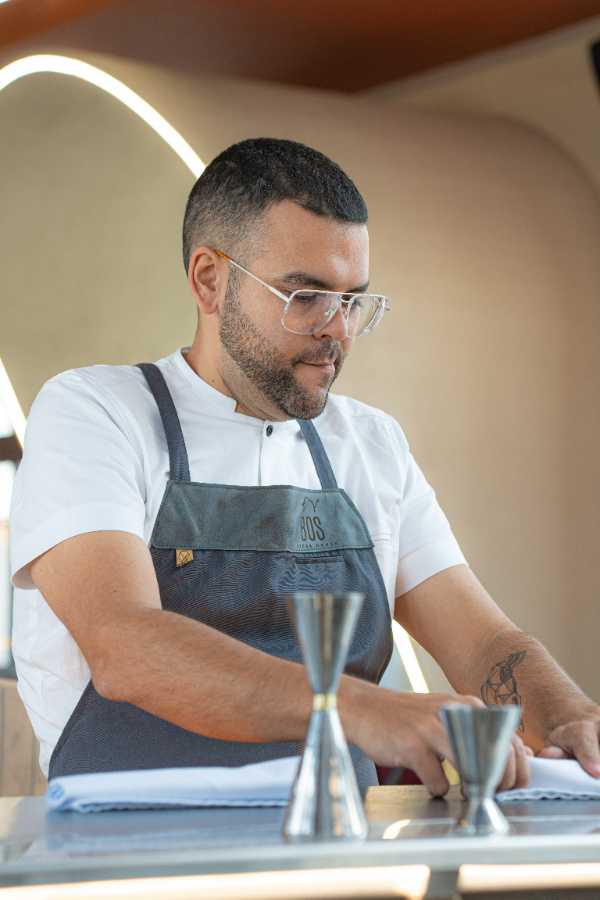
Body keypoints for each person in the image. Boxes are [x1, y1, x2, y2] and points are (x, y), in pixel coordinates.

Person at [9, 138, 600, 797]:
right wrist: (364, 709)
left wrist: (570, 716)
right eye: (306, 295)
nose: (337, 329)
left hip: (338, 843)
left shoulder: (371, 444)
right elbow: (126, 645)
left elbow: (484, 644)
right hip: (129, 846)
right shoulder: (96, 412)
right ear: (209, 280)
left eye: (353, 300)